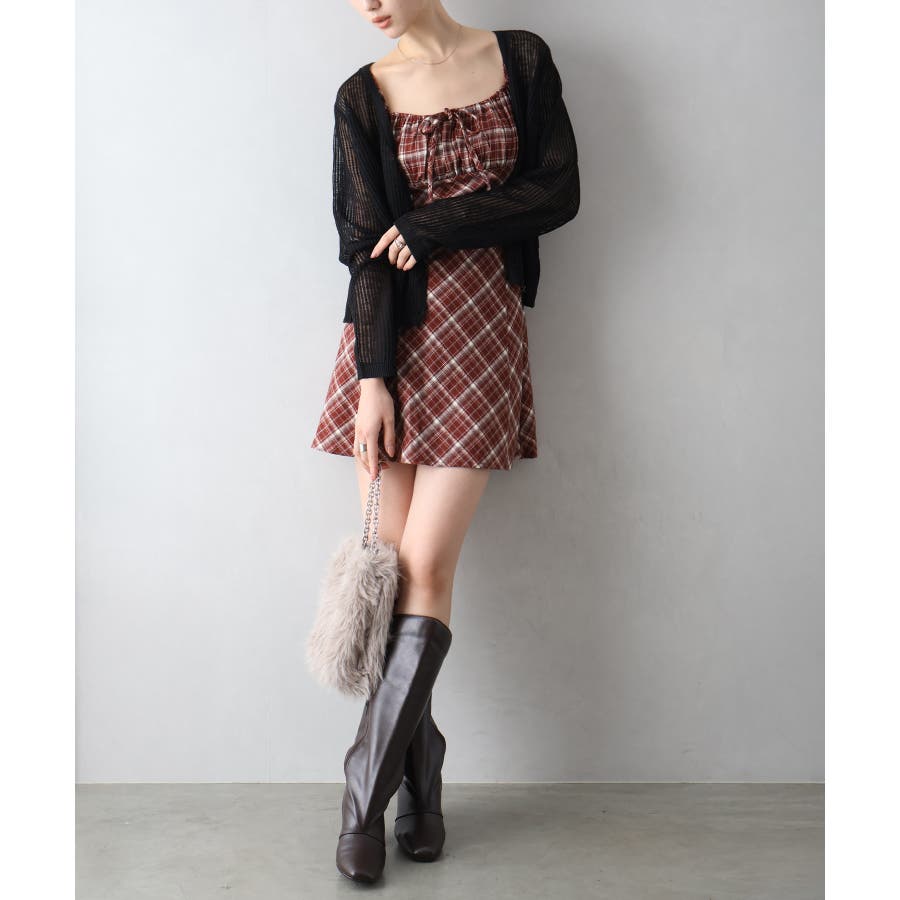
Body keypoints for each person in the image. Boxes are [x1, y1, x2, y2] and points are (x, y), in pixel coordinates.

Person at [310, 1, 580, 884]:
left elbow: (556, 191)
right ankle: (419, 776)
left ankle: (363, 789)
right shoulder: (362, 95)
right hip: (389, 345)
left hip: (482, 334)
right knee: (390, 569)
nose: (369, 2)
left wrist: (432, 225)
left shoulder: (521, 60)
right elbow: (364, 246)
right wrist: (372, 381)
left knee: (426, 562)